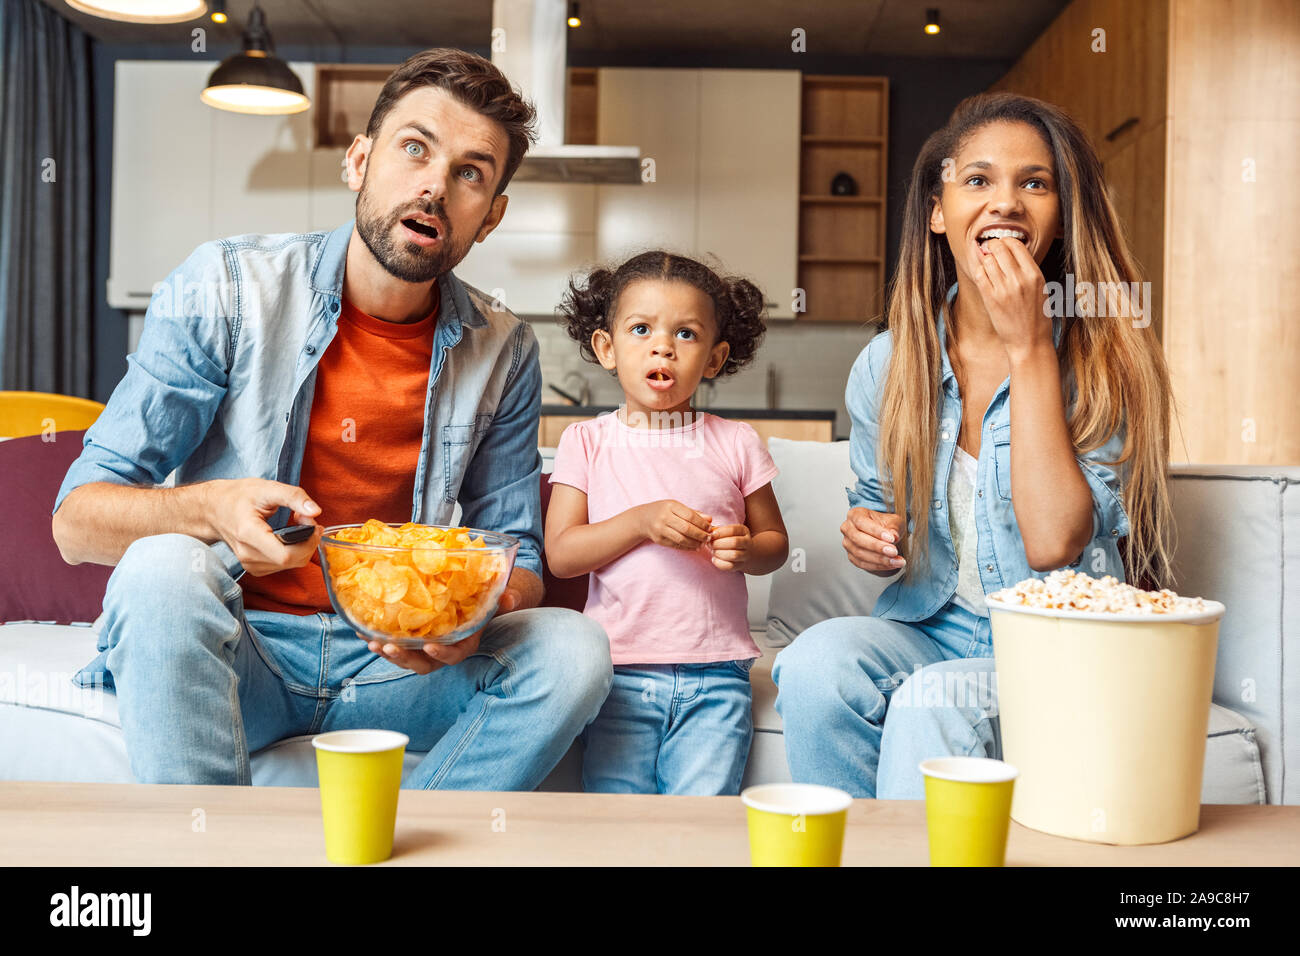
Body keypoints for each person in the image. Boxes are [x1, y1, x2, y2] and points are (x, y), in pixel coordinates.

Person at [50, 49, 613, 790]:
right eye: (414, 147)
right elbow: (75, 522)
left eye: (471, 173)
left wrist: (474, 612)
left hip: (396, 670)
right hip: (236, 653)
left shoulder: (504, 348)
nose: (435, 186)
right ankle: (206, 849)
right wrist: (211, 508)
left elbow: (519, 557)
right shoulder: (225, 287)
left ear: (492, 215)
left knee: (573, 651)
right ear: (359, 161)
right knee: (161, 566)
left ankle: (405, 839)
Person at [773, 92, 1176, 798]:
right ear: (938, 212)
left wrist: (1029, 346)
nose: (1007, 203)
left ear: (1062, 214)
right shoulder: (887, 364)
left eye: (1035, 183)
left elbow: (1054, 542)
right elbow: (878, 512)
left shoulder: (1107, 359)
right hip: (932, 626)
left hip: (1059, 642)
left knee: (936, 702)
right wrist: (869, 536)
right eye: (978, 180)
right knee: (815, 663)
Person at [544, 252, 790, 794]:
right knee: (617, 823)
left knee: (700, 825)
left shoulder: (736, 441)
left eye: (685, 334)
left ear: (714, 358)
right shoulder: (586, 442)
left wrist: (749, 551)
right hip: (618, 674)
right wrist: (638, 522)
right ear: (606, 349)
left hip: (717, 676)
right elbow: (561, 553)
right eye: (641, 329)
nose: (663, 346)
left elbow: (775, 543)